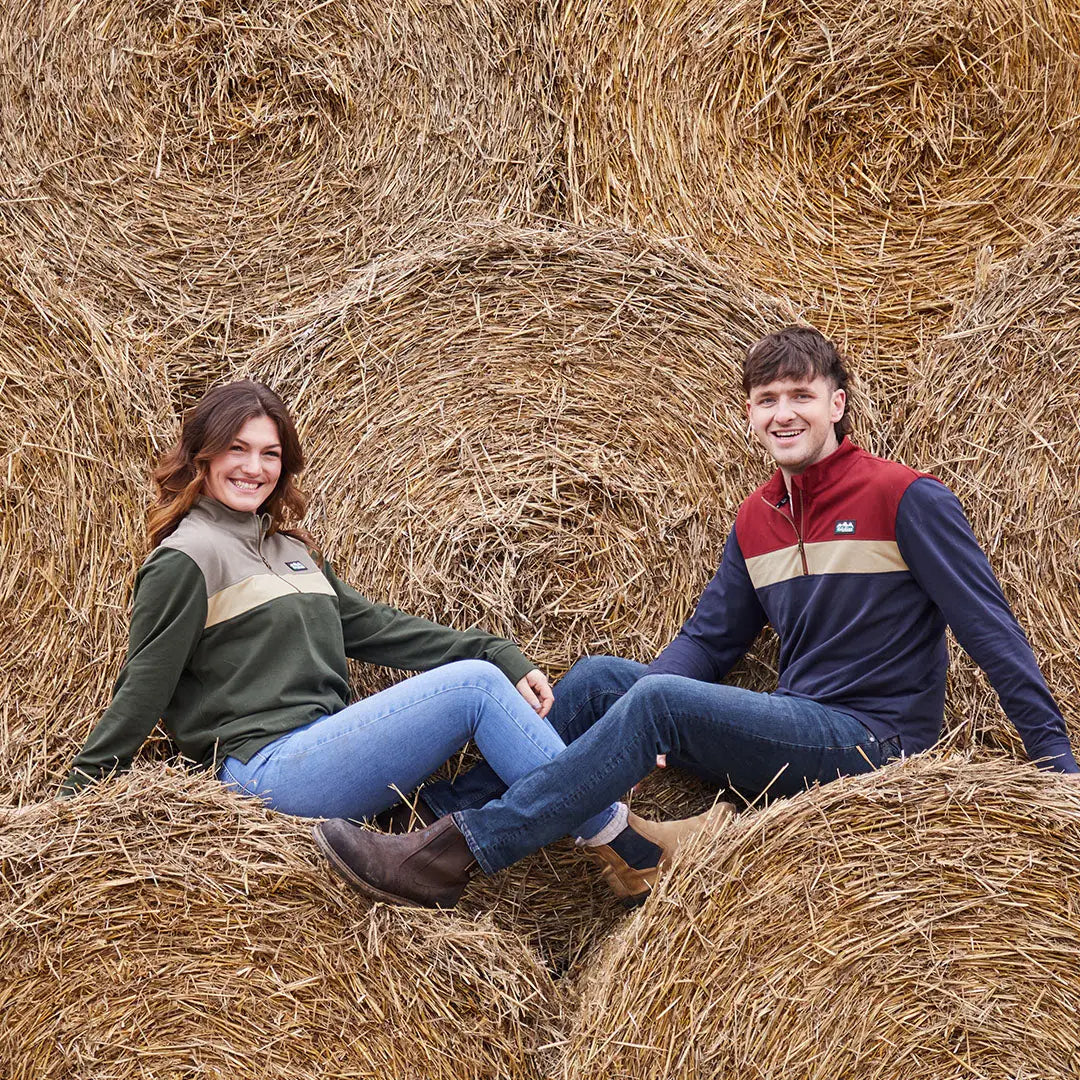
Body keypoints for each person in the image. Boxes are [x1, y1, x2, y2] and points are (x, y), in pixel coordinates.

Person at [313, 325, 1080, 908]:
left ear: (837, 405)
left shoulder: (905, 497)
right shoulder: (758, 519)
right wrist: (639, 724)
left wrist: (1056, 769)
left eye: (801, 396)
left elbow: (991, 631)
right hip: (792, 728)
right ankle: (424, 820)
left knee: (653, 701)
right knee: (603, 682)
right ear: (749, 414)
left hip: (874, 744)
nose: (784, 413)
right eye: (767, 400)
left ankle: (457, 855)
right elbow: (710, 642)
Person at [60, 380, 716, 902]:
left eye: (270, 453)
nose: (254, 468)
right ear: (202, 455)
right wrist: (66, 820)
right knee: (476, 691)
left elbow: (380, 630)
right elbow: (141, 693)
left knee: (570, 686)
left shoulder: (290, 552)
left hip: (325, 753)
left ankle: (443, 832)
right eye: (238, 449)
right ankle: (628, 847)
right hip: (266, 774)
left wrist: (496, 649)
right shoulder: (185, 559)